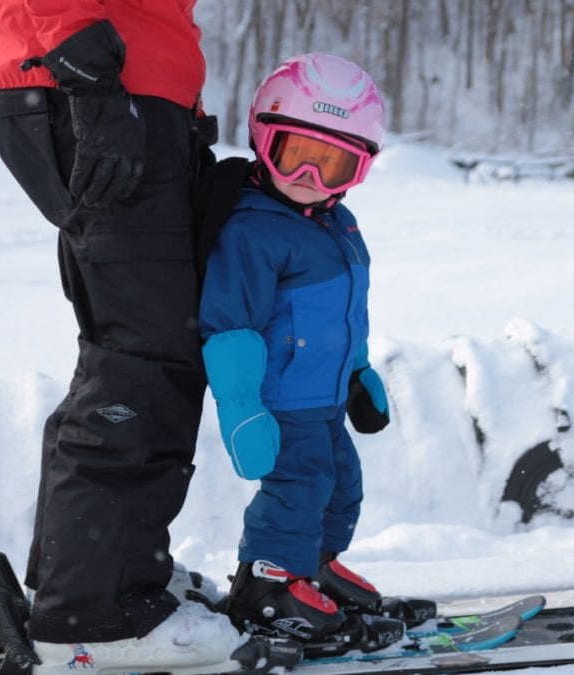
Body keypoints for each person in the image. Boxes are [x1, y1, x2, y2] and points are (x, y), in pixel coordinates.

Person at [0, 2, 238, 672]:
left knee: (131, 347)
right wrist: (89, 75)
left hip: (124, 93)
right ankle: (94, 608)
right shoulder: (90, 74)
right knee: (146, 357)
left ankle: (97, 572)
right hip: (93, 85)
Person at [198, 54, 403, 647]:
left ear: (358, 170)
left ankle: (312, 569)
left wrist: (359, 372)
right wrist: (242, 406)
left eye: (333, 163)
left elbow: (344, 312)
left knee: (340, 484)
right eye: (296, 154)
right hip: (282, 401)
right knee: (299, 488)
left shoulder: (339, 225)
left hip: (325, 396)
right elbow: (229, 326)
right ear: (265, 139)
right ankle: (265, 587)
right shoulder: (251, 231)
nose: (309, 176)